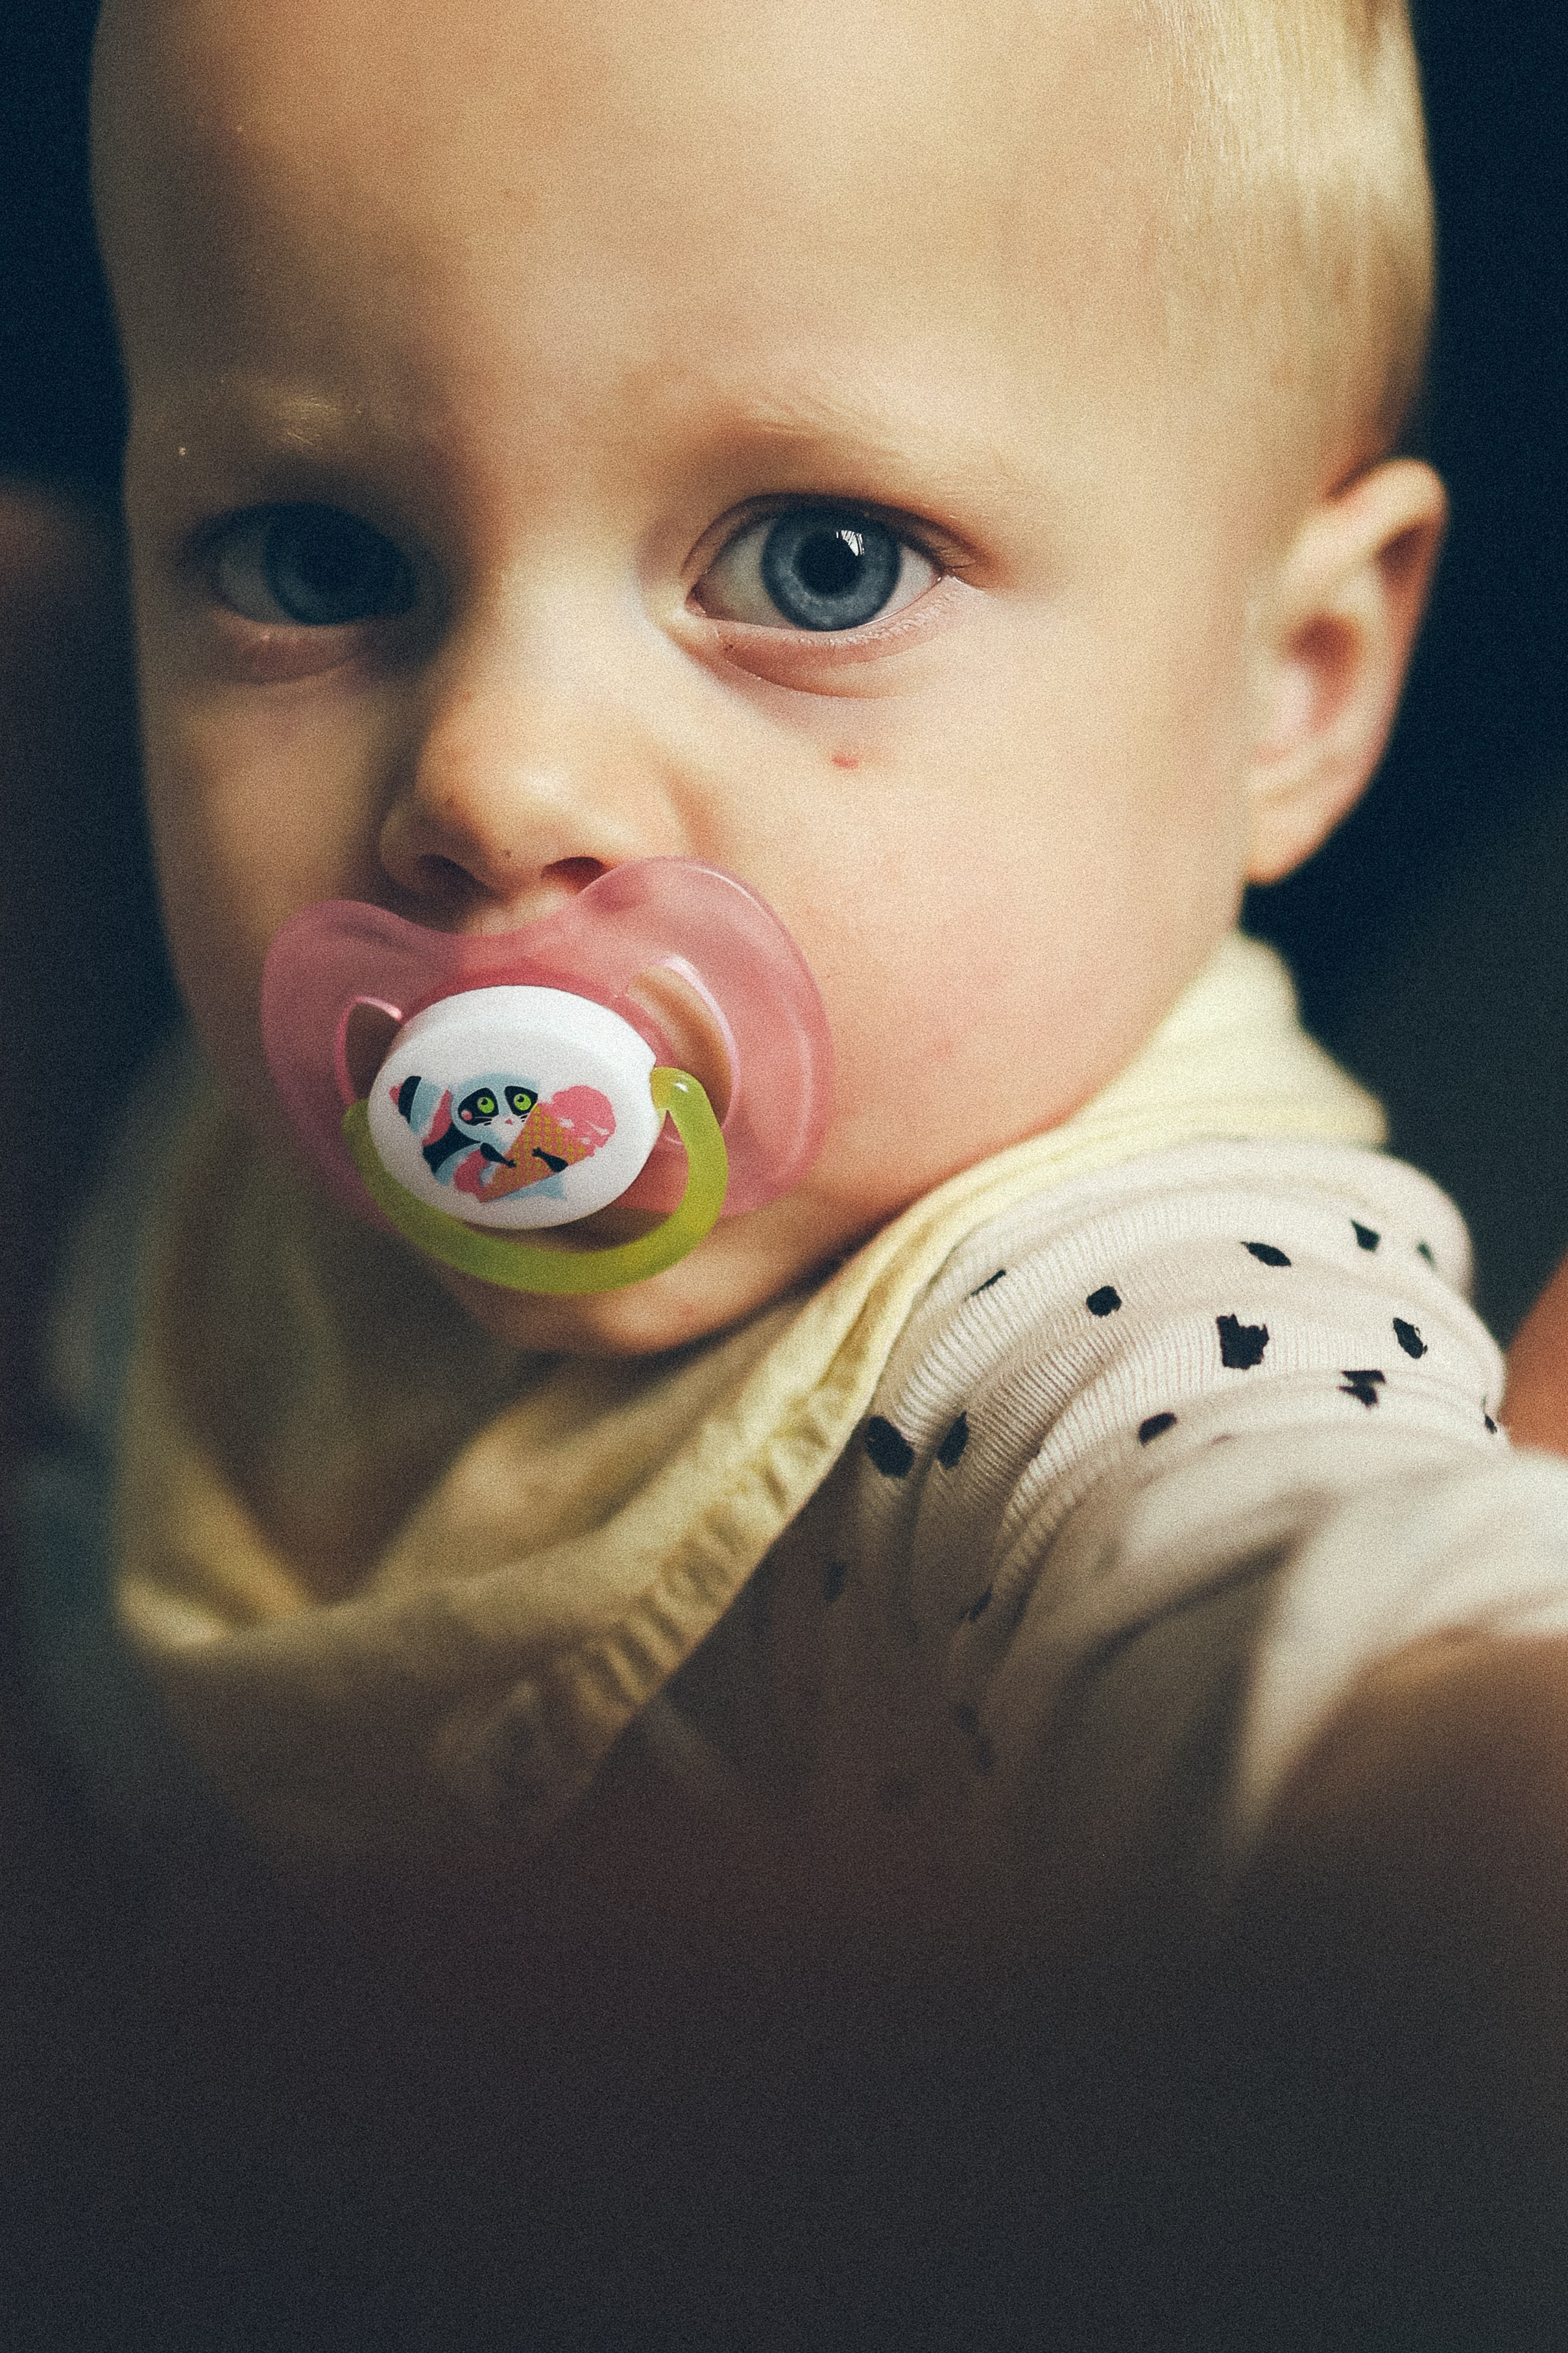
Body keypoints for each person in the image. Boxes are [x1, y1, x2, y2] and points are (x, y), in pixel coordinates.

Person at [16, 0, 1568, 2335]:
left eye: (821, 563)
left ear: (1294, 681)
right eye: (318, 559)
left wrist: (1449, 1790)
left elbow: (1297, 1599)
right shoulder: (249, 1152)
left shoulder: (1107, 1314)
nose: (494, 777)